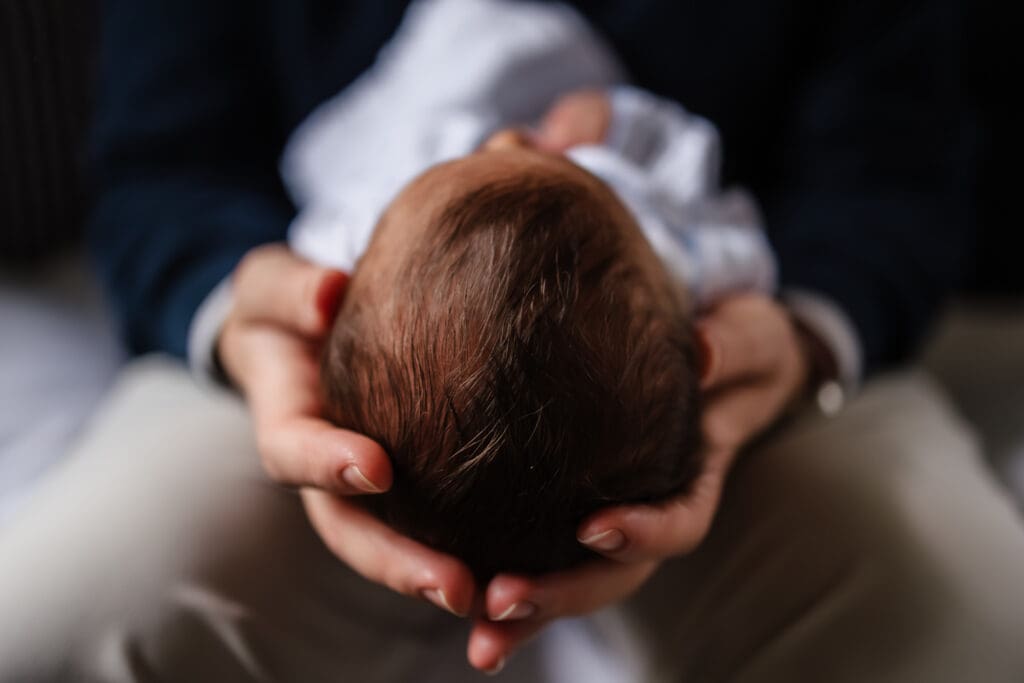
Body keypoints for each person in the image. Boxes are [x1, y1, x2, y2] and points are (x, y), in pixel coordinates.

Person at [2, 0, 1023, 681]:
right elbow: (160, 168)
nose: (507, 142)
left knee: (968, 619)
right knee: (67, 611)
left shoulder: (675, 243)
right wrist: (248, 314)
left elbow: (892, 178)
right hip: (317, 370)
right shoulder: (343, 257)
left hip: (724, 363)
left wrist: (801, 334)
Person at [289, 0, 772, 580]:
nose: (509, 139)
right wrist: (615, 125)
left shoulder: (360, 226)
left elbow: (312, 207)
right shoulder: (676, 251)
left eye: (471, 164)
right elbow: (714, 200)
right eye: (565, 170)